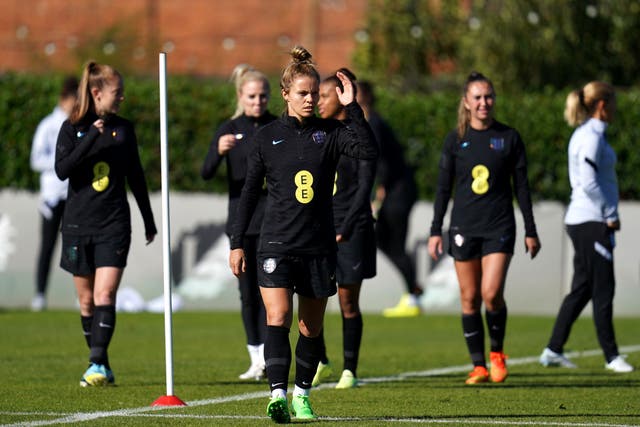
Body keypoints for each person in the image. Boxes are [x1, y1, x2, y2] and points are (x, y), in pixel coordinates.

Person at [228, 46, 377, 423]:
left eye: (314, 93)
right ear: (286, 94)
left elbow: (367, 150)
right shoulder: (266, 138)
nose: (310, 99)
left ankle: (302, 395)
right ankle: (277, 393)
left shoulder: (330, 133)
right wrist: (235, 242)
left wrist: (352, 107)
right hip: (275, 242)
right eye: (303, 93)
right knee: (277, 317)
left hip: (318, 247)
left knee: (310, 326)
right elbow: (248, 193)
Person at [427, 71, 541, 385]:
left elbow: (523, 188)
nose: (483, 103)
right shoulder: (455, 140)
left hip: (499, 226)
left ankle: (497, 354)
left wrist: (531, 230)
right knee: (469, 298)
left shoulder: (509, 137)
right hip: (463, 226)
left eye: (488, 96)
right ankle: (478, 365)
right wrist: (436, 230)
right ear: (466, 101)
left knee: (491, 295)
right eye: (477, 97)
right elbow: (442, 189)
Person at [55, 61, 157, 386]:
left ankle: (96, 362)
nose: (122, 98)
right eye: (118, 93)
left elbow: (136, 176)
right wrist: (91, 137)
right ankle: (101, 363)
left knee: (105, 293)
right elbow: (63, 169)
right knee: (86, 301)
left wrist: (148, 219)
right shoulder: (71, 127)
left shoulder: (124, 129)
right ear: (97, 93)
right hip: (77, 225)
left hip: (113, 224)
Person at [539, 82, 633, 373]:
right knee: (604, 287)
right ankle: (611, 356)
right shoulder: (591, 136)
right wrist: (607, 214)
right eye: (613, 103)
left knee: (582, 289)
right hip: (591, 220)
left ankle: (553, 349)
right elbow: (589, 181)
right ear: (602, 105)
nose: (616, 109)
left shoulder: (591, 135)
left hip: (586, 219)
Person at [201, 64, 276, 381]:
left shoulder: (277, 127)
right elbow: (206, 172)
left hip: (273, 221)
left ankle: (272, 357)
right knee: (247, 294)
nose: (257, 102)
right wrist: (217, 152)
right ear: (240, 96)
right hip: (241, 224)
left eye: (262, 96)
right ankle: (256, 356)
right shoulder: (229, 129)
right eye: (251, 96)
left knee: (270, 293)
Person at [311, 69, 377, 389]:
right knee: (312, 294)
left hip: (351, 228)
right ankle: (321, 359)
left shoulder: (357, 136)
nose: (317, 101)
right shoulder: (317, 133)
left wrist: (346, 226)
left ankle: (350, 369)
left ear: (341, 97)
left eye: (323, 95)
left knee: (347, 301)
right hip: (320, 228)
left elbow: (365, 187)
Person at [356, 81, 422, 318]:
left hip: (398, 193)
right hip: (395, 190)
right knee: (384, 241)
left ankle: (413, 297)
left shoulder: (373, 123)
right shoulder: (368, 122)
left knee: (395, 245)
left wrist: (378, 194)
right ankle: (413, 290)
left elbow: (379, 162)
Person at [30, 76, 78, 311]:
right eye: (73, 100)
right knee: (48, 245)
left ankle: (82, 293)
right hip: (52, 196)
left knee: (76, 244)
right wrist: (61, 162)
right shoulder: (48, 125)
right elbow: (36, 160)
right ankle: (40, 294)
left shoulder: (79, 125)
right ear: (64, 99)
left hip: (73, 194)